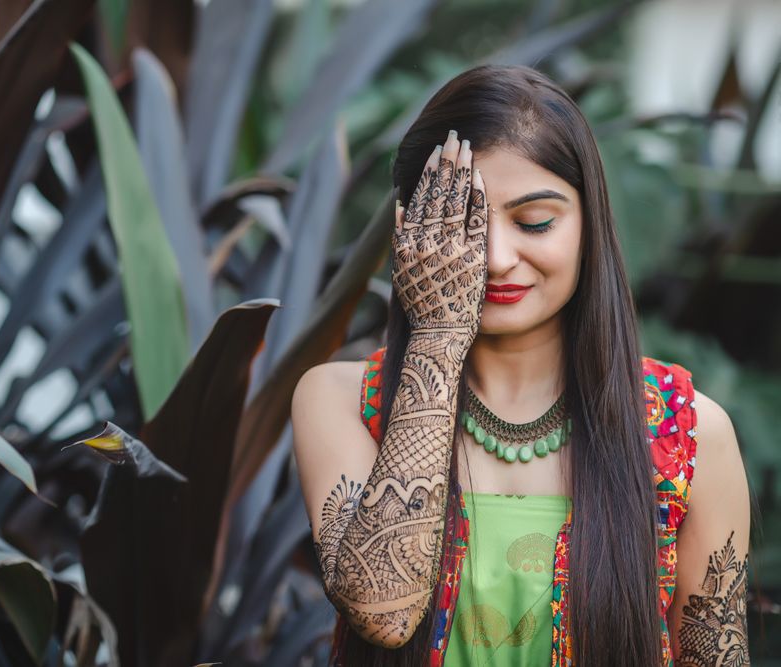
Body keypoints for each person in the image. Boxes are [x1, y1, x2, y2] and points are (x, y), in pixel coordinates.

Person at [291, 65, 751, 666]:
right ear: (411, 231)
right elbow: (384, 610)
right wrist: (436, 333)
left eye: (535, 222)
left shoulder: (687, 432)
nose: (499, 258)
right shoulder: (339, 399)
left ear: (590, 226)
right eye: (465, 225)